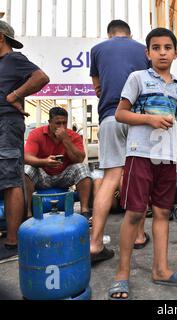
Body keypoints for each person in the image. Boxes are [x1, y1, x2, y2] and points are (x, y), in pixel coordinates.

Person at [108, 27, 177, 300]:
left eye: (167, 47)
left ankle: (161, 269)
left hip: (168, 159)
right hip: (140, 154)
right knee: (135, 214)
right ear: (147, 53)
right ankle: (122, 274)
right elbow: (120, 114)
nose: (162, 52)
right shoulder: (138, 79)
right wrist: (149, 119)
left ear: (176, 53)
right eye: (156, 48)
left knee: (161, 214)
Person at [89, 19, 150, 263]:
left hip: (110, 117)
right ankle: (138, 235)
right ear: (130, 33)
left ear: (109, 34)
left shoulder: (97, 50)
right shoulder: (142, 50)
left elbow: (98, 88)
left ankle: (95, 245)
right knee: (138, 176)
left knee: (110, 179)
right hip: (137, 117)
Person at [0, 21, 49, 260]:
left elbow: (41, 77)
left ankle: (12, 243)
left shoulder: (14, 59)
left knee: (10, 180)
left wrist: (16, 94)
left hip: (6, 124)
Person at [24, 107, 92, 218]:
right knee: (27, 169)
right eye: (57, 123)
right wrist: (44, 162)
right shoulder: (36, 134)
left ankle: (85, 211)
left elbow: (79, 159)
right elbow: (26, 157)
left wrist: (66, 140)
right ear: (49, 122)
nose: (61, 126)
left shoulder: (72, 136)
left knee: (82, 168)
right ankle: (27, 213)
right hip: (43, 175)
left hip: (63, 176)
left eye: (64, 123)